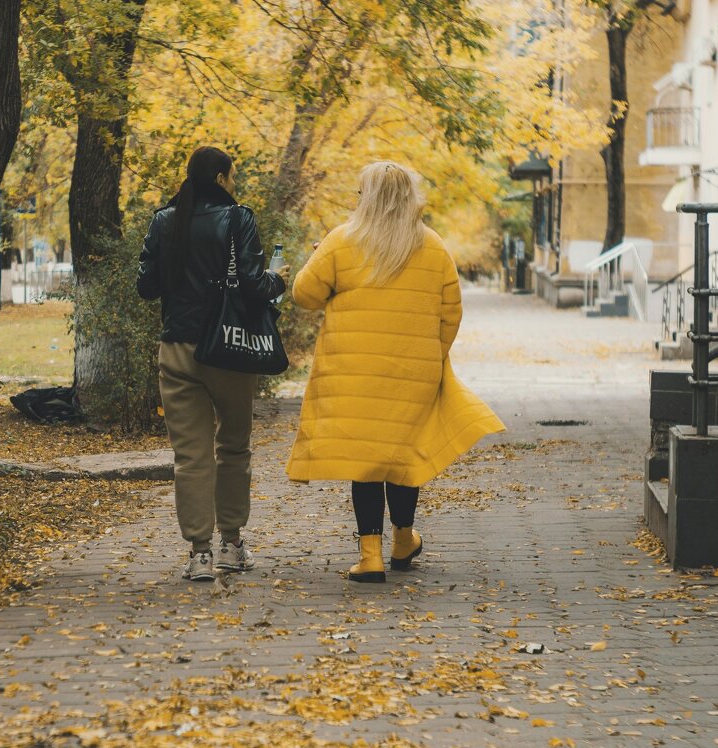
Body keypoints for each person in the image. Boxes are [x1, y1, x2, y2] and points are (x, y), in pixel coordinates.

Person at [286, 160, 504, 583]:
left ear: (366, 198)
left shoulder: (341, 241)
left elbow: (304, 295)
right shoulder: (434, 246)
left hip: (352, 372)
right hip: (412, 369)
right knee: (403, 455)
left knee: (366, 461)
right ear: (410, 198)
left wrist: (318, 260)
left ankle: (370, 556)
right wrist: (430, 356)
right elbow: (451, 314)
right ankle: (404, 539)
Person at [137, 146, 287, 581]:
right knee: (234, 447)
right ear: (221, 178)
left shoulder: (164, 220)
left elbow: (146, 287)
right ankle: (231, 545)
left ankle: (199, 553)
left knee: (190, 456)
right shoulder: (239, 217)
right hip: (228, 350)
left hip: (177, 349)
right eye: (232, 176)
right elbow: (255, 285)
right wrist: (280, 279)